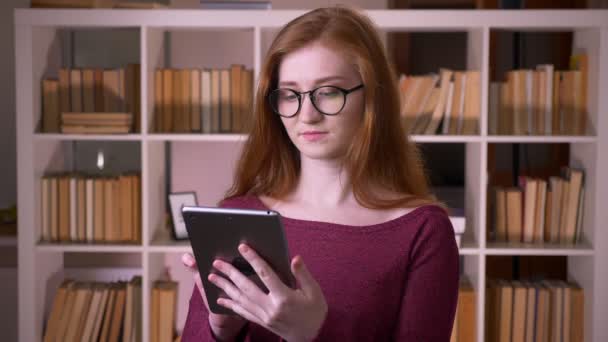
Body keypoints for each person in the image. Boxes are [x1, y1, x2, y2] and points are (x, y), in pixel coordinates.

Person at [181, 5, 459, 341]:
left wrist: (312, 335)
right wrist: (220, 329)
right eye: (289, 94)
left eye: (328, 92)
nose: (307, 115)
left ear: (372, 99)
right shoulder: (238, 216)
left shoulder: (423, 232)